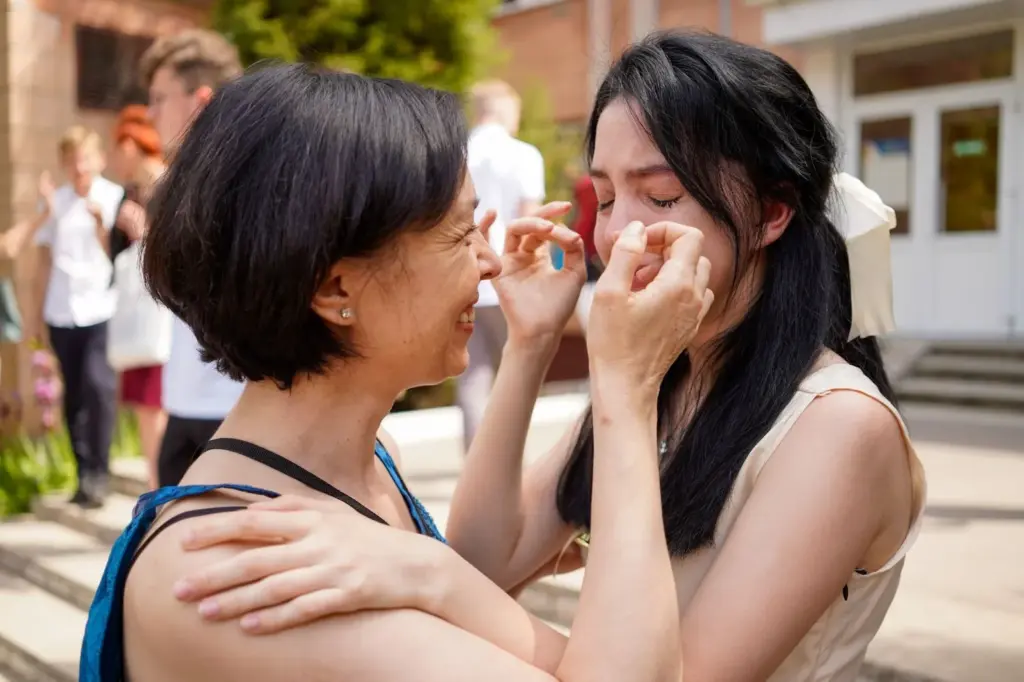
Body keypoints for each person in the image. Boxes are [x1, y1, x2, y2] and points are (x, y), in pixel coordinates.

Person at [165, 31, 927, 682]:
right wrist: (530, 347)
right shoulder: (667, 381)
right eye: (604, 197)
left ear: (769, 212)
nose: (615, 235)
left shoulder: (837, 429)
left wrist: (424, 574)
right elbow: (488, 557)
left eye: (659, 199)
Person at [79, 63, 712, 682]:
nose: (490, 263)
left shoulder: (368, 459)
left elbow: (502, 621)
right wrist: (628, 389)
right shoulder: (235, 570)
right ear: (335, 289)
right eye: (461, 233)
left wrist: (532, 344)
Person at [138, 29, 246, 486]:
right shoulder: (174, 187)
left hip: (236, 418)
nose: (150, 113)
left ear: (199, 101)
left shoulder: (249, 185)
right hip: (185, 405)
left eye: (160, 98)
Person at [458, 79, 558, 451]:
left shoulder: (456, 153)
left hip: (464, 277)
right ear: (503, 111)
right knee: (518, 371)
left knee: (473, 375)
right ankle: (509, 460)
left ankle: (475, 460)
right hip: (508, 278)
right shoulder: (523, 154)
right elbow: (529, 221)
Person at [29, 126, 124, 508]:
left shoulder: (113, 197)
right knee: (73, 397)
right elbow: (42, 262)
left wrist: (102, 224)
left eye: (84, 157)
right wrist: (36, 315)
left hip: (101, 307)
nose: (78, 166)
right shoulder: (56, 203)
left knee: (98, 386)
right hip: (62, 310)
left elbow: (119, 255)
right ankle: (84, 474)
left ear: (97, 159)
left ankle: (100, 471)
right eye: (70, 160)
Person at [106, 105, 168, 489]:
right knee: (147, 405)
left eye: (119, 148)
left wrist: (144, 234)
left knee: (156, 403)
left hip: (164, 315)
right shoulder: (131, 192)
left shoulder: (166, 184)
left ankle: (159, 484)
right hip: (141, 314)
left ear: (133, 144)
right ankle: (154, 481)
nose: (115, 158)